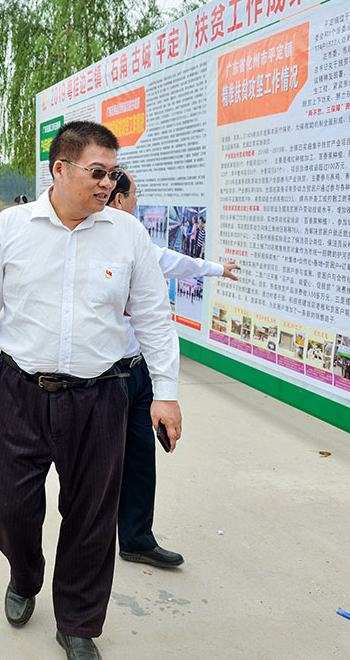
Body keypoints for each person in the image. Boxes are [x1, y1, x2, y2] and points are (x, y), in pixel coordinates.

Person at [0, 121, 182, 660]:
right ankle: (24, 573)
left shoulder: (127, 234)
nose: (108, 184)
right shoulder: (10, 229)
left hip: (101, 395)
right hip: (19, 391)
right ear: (60, 169)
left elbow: (153, 316)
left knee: (92, 516)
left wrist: (165, 391)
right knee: (11, 510)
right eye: (97, 172)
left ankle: (78, 623)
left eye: (114, 174)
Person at [105, 171, 238, 572]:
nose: (136, 202)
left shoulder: (134, 240)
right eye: (134, 196)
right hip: (100, 376)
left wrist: (216, 268)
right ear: (119, 200)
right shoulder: (88, 241)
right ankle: (90, 545)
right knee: (98, 464)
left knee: (140, 458)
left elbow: (171, 261)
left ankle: (136, 539)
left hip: (136, 370)